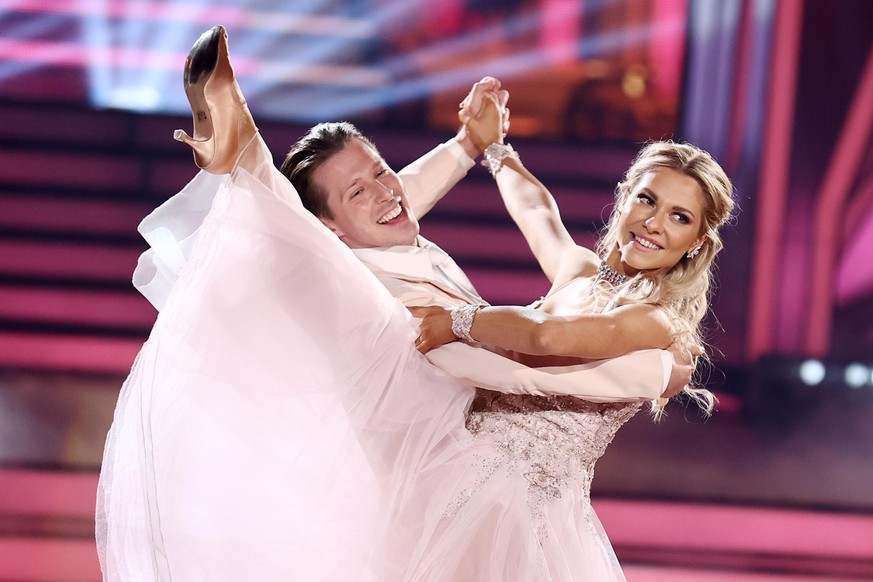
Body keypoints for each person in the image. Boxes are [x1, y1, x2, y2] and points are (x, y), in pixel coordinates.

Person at [95, 26, 697, 582]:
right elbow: (522, 357)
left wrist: (476, 146)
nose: (390, 192)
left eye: (385, 173)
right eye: (648, 202)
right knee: (309, 251)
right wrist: (654, 372)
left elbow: (513, 213)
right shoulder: (380, 294)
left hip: (520, 495)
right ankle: (243, 154)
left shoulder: (405, 245)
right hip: (475, 487)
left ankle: (242, 156)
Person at [410, 95, 736, 579]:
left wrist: (458, 321)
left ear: (697, 244)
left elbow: (547, 339)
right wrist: (495, 147)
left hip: (524, 511)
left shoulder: (656, 321)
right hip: (451, 469)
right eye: (647, 199)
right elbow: (537, 212)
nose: (653, 223)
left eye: (679, 216)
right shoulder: (580, 271)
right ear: (624, 197)